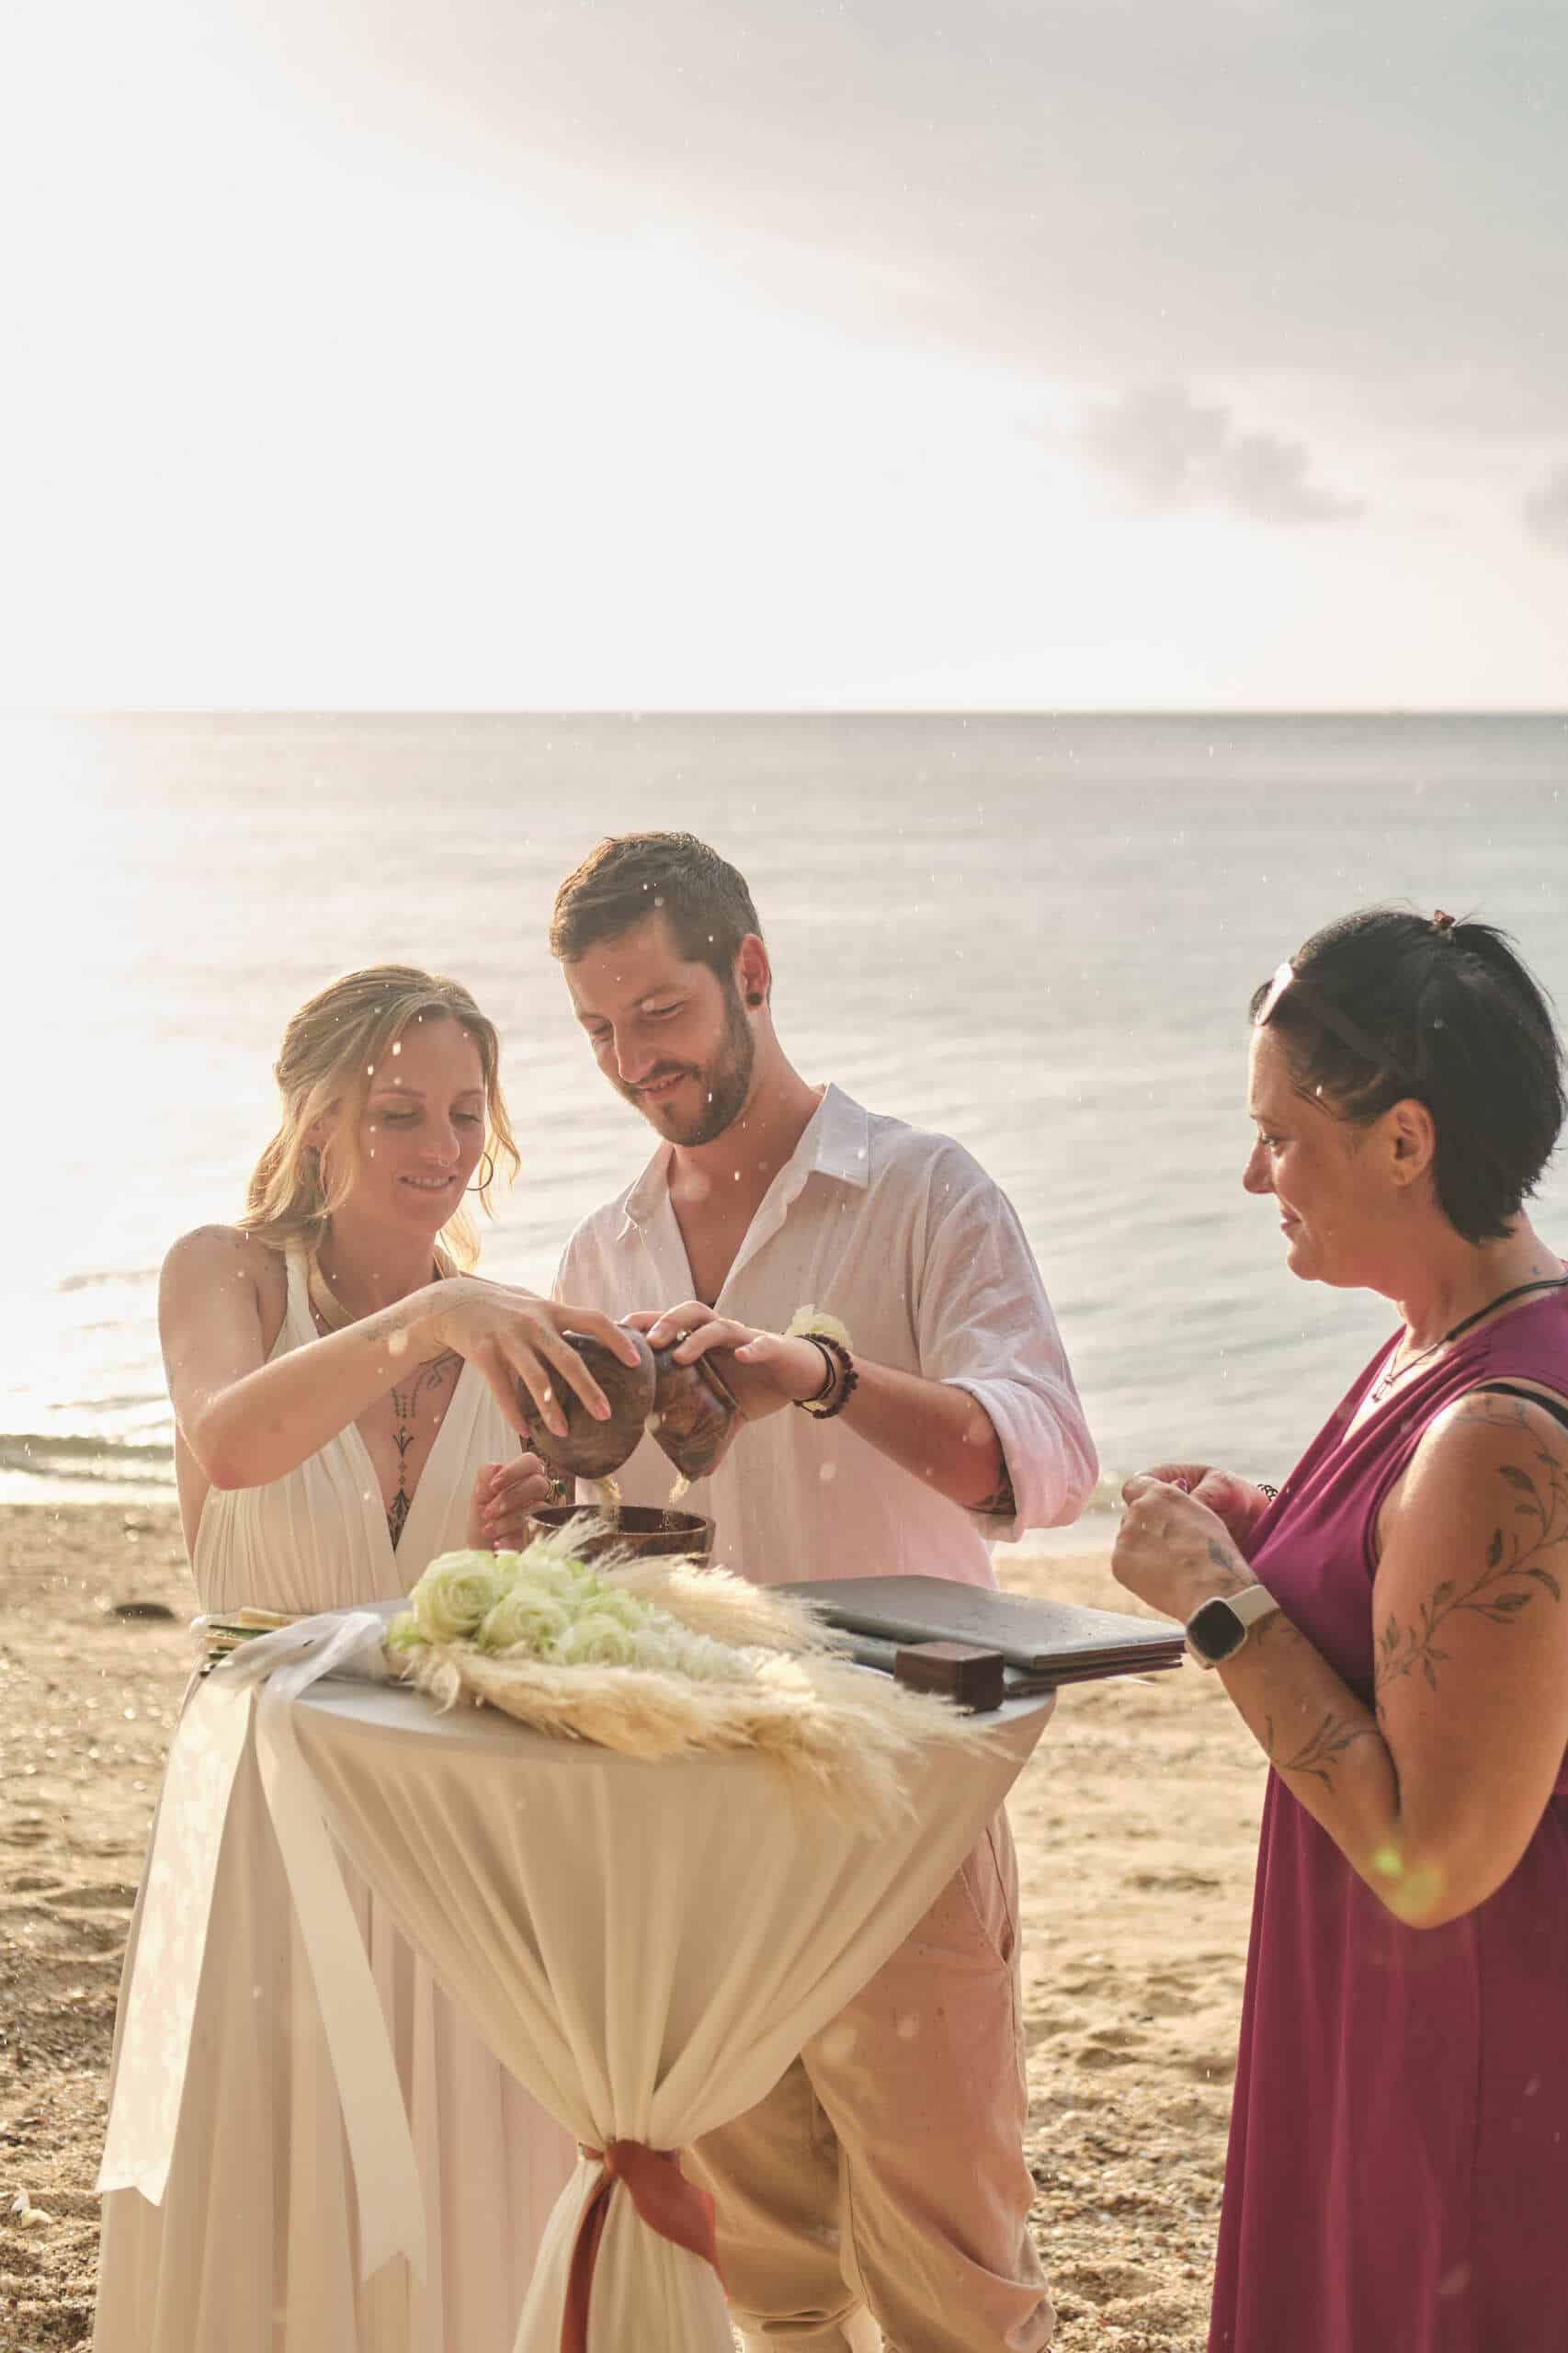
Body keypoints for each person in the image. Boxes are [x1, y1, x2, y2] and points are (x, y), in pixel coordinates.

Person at [549, 833, 1097, 2353]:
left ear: (753, 971)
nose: (631, 1062)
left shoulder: (922, 1191)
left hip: (903, 1799)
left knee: (955, 2279)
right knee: (765, 2279)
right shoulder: (603, 1245)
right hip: (693, 1813)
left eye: (658, 1012)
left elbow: (1044, 1466)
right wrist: (538, 1506)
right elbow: (606, 1541)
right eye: (597, 1030)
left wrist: (821, 1375)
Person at [95, 964, 645, 2353]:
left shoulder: (500, 1326)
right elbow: (233, 1443)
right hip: (264, 1799)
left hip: (445, 1813)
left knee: (453, 2150)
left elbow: (494, 1617)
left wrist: (512, 1549)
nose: (443, 1150)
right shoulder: (224, 1273)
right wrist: (424, 1321)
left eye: (467, 1113)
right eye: (399, 1111)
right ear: (316, 1117)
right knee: (275, 2156)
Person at [1110, 908, 1568, 2353]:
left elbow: (1431, 1862)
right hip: (1387, 2031)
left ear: (1403, 1142)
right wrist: (1269, 1524)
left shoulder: (1495, 1427)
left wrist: (1218, 1602)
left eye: (1281, 1136)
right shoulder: (1438, 1343)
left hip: (1466, 2081)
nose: (1252, 1176)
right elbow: (1409, 1600)